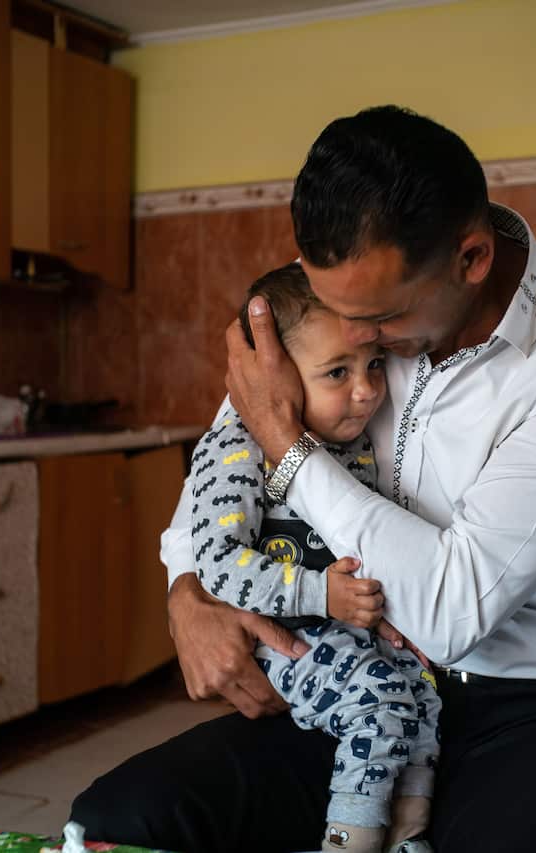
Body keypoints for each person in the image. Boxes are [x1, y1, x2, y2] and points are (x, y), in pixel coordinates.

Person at [71, 105, 536, 853]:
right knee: (118, 819)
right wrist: (184, 594)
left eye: (380, 321)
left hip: (527, 708)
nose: (356, 338)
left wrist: (293, 450)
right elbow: (224, 477)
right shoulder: (339, 296)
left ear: (472, 258)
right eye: (338, 311)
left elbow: (454, 611)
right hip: (349, 677)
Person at [186, 262, 440, 853]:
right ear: (271, 378)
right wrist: (320, 595)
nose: (368, 389)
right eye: (337, 372)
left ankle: (406, 833)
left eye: (373, 365)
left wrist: (388, 613)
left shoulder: (348, 447)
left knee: (421, 692)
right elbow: (219, 566)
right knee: (378, 706)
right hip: (284, 639)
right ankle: (350, 841)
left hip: (349, 630)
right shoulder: (235, 448)